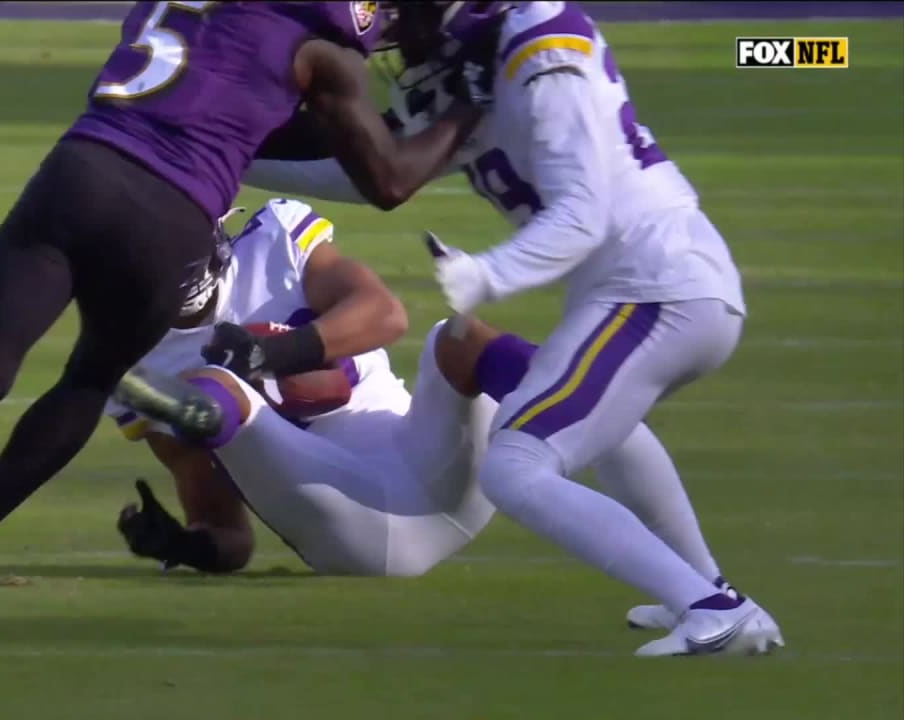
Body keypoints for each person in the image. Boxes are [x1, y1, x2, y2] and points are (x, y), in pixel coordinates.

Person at [0, 2, 484, 659]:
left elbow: (256, 116)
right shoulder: (321, 48)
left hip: (78, 167)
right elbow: (389, 180)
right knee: (87, 383)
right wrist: (472, 113)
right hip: (169, 216)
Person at [186, 1, 787, 657]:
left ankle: (711, 609)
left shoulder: (541, 46)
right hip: (642, 290)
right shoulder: (481, 61)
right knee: (592, 429)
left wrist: (487, 274)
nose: (395, 23)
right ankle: (712, 591)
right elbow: (372, 169)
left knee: (518, 467)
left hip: (659, 287)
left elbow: (585, 211)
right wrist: (219, 152)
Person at [109, 198, 500, 577]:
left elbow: (386, 315)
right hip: (363, 528)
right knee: (215, 382)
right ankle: (208, 405)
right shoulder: (147, 359)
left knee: (460, 336)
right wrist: (184, 546)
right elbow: (228, 535)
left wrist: (268, 354)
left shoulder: (276, 240)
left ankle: (558, 404)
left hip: (432, 457)